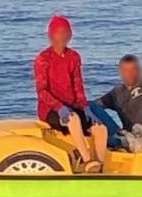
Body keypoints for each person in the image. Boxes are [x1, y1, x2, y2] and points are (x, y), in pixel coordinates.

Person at [34, 15, 108, 172]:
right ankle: (87, 161)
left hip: (72, 106)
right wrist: (59, 107)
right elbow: (42, 91)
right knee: (73, 119)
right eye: (59, 33)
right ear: (51, 35)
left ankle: (99, 167)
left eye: (66, 32)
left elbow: (78, 87)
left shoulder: (74, 57)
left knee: (100, 128)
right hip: (51, 109)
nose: (63, 36)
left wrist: (85, 107)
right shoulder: (43, 59)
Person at [90, 17, 142, 147]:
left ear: (139, 70)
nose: (129, 74)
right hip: (125, 135)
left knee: (108, 141)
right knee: (89, 106)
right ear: (120, 72)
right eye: (126, 70)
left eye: (133, 70)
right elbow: (95, 106)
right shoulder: (116, 93)